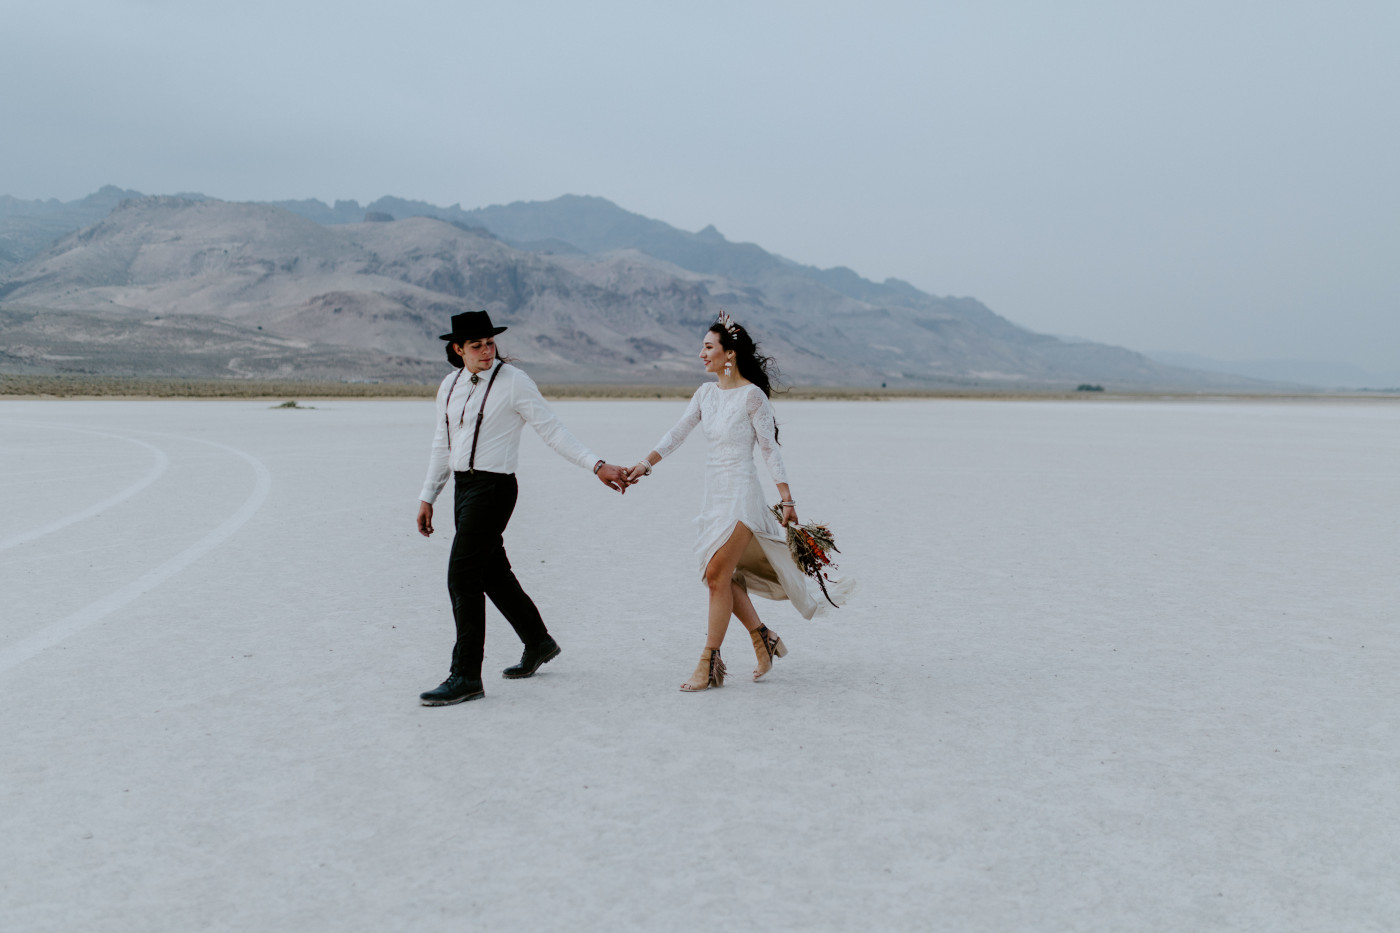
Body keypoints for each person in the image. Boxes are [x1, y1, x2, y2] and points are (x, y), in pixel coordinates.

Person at [416, 310, 632, 706]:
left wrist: (596, 465)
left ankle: (465, 676)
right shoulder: (449, 386)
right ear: (458, 349)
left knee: (462, 577)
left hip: (495, 488)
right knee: (492, 574)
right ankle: (538, 642)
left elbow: (551, 429)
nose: (486, 351)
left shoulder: (513, 382)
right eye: (476, 345)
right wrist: (428, 494)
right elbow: (442, 443)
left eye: (490, 343)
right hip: (462, 489)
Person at [625, 311, 848, 691]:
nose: (701, 354)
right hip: (713, 495)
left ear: (729, 354)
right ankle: (764, 637)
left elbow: (769, 449)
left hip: (742, 495)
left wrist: (787, 498)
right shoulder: (705, 394)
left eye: (708, 347)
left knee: (716, 576)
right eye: (702, 347)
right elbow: (677, 433)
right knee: (720, 577)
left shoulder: (752, 396)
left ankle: (708, 663)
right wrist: (644, 464)